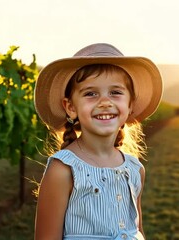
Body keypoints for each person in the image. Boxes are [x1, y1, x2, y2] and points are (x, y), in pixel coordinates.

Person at [33, 43, 162, 240]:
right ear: (70, 107)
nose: (104, 102)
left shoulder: (134, 170)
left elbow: (137, 231)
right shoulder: (63, 170)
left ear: (130, 105)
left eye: (115, 92)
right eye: (91, 93)